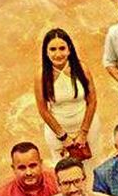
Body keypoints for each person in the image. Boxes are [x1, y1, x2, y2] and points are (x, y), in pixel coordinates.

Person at [35, 27, 99, 160]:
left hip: (88, 129)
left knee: (93, 168)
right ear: (46, 52)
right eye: (52, 49)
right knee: (65, 174)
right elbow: (43, 109)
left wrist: (83, 133)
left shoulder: (82, 68)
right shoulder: (41, 75)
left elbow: (92, 100)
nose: (58, 54)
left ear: (69, 49)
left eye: (62, 48)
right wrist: (63, 136)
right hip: (58, 134)